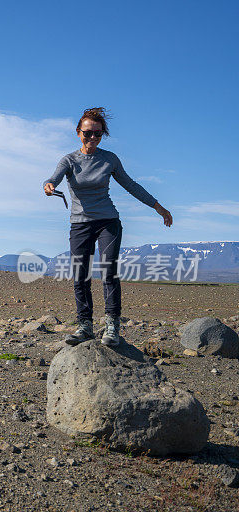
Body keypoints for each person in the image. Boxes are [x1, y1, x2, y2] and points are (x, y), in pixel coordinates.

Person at [43, 107, 172, 347]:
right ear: (78, 133)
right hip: (80, 224)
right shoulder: (69, 160)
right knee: (80, 276)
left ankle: (112, 326)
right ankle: (85, 326)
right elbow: (54, 177)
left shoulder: (109, 159)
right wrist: (48, 185)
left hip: (108, 223)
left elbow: (131, 185)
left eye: (98, 134)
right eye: (88, 133)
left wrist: (158, 207)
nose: (93, 138)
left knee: (108, 272)